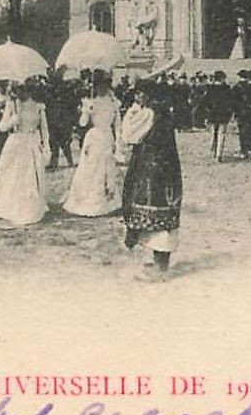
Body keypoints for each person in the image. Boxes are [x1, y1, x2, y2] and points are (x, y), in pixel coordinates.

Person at [120, 79, 183, 279]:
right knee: (163, 213)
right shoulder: (161, 110)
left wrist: (132, 111)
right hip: (165, 167)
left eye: (140, 94)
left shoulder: (149, 113)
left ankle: (160, 268)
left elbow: (129, 136)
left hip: (152, 169)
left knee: (155, 212)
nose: (137, 97)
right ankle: (160, 263)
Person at [0, 79, 49, 226]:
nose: (19, 93)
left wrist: (46, 148)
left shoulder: (38, 107)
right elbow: (2, 127)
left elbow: (44, 130)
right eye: (17, 90)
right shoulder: (12, 105)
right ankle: (12, 203)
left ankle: (32, 205)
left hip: (31, 143)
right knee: (15, 175)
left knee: (31, 175)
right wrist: (13, 120)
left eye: (22, 90)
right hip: (16, 143)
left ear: (29, 90)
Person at [63, 70, 121, 216]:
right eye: (99, 86)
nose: (102, 89)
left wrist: (118, 143)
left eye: (105, 86)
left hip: (107, 136)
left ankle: (106, 199)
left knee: (106, 167)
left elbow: (117, 126)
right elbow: (82, 124)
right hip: (94, 137)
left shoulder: (114, 104)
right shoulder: (91, 102)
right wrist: (86, 111)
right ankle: (86, 199)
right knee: (91, 168)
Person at [200, 70, 234, 161]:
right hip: (223, 115)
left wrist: (206, 113)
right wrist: (230, 114)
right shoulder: (227, 89)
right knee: (221, 134)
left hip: (212, 114)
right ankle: (219, 154)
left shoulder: (210, 89)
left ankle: (213, 149)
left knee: (213, 133)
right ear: (223, 79)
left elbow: (204, 102)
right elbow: (232, 103)